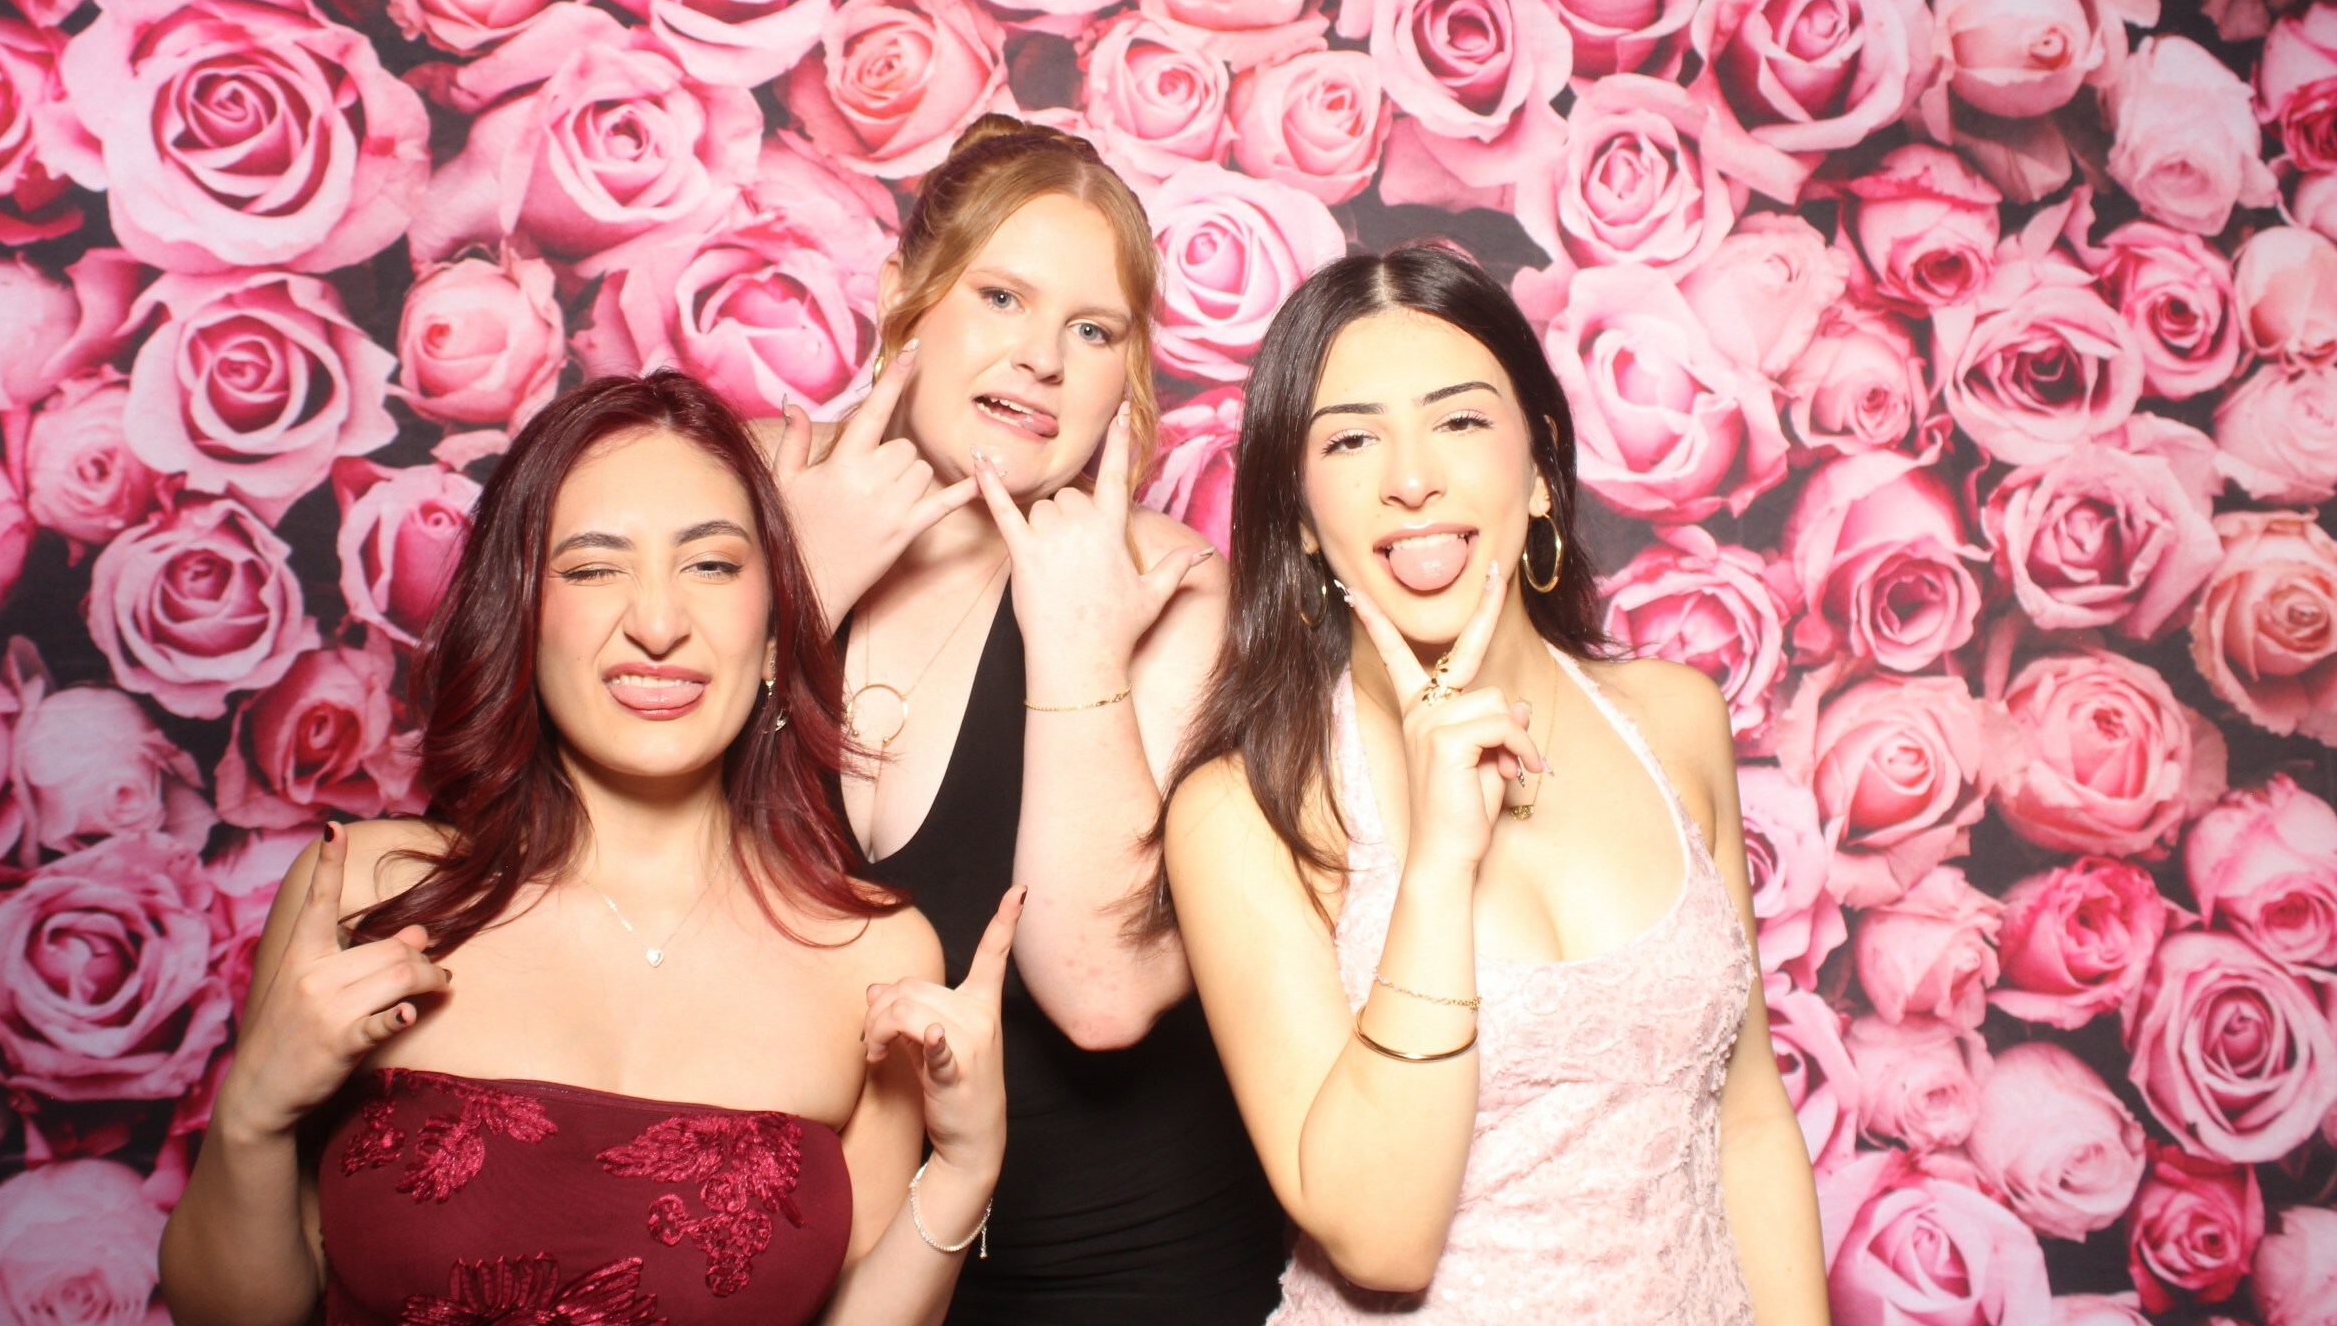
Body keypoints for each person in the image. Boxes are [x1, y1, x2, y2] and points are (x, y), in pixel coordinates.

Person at [161, 371, 1022, 1326]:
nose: (656, 624)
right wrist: (253, 1113)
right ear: (520, 618)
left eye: (711, 566)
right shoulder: (365, 892)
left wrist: (966, 1167)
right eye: (592, 569)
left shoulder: (874, 959)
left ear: (779, 633)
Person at [1158, 247, 1827, 1324]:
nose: (1411, 477)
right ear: (1299, 514)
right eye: (1351, 438)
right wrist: (1435, 868)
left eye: (1460, 420)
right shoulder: (1247, 812)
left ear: (1542, 466)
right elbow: (1381, 1239)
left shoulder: (1675, 720)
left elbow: (1746, 1123)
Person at [754, 116, 1286, 1325]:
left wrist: (1079, 646)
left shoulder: (1164, 587)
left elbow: (1102, 993)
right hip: (813, 1264)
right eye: (1001, 297)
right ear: (902, 294)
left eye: (1094, 331)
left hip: (1116, 1272)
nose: (1042, 358)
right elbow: (584, 841)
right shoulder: (753, 492)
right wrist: (797, 595)